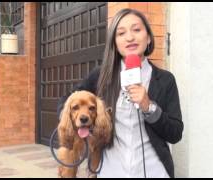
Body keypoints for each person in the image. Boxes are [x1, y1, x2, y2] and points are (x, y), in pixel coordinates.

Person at [57, 8, 183, 178]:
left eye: (137, 30)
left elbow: (175, 133)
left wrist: (149, 106)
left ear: (149, 37)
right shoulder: (101, 75)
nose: (130, 37)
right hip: (110, 171)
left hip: (155, 172)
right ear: (114, 42)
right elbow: (67, 100)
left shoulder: (165, 80)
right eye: (121, 33)